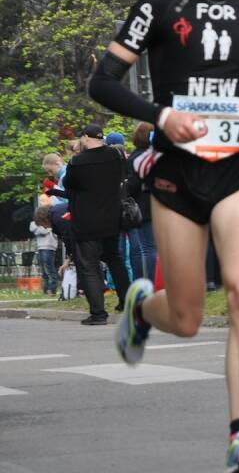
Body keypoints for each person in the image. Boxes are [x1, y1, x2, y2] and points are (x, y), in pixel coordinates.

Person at [88, 0, 239, 473]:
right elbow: (102, 82)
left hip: (236, 169)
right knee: (185, 317)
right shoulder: (157, 3)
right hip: (177, 176)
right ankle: (141, 308)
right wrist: (162, 115)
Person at [63, 124, 131, 325]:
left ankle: (98, 313)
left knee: (89, 266)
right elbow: (123, 177)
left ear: (85, 138)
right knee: (115, 260)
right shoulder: (115, 156)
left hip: (86, 221)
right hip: (112, 218)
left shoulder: (77, 162)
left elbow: (69, 185)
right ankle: (126, 302)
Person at [126, 123, 158, 280]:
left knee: (147, 248)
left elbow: (133, 184)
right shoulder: (160, 155)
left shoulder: (135, 157)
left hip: (143, 206)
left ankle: (151, 281)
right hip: (164, 204)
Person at [30, 206, 59, 295]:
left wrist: (46, 229)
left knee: (49, 268)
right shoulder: (36, 223)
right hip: (41, 247)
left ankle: (52, 288)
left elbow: (42, 231)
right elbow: (34, 228)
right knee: (44, 270)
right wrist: (47, 229)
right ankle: (46, 289)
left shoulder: (52, 222)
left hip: (50, 247)